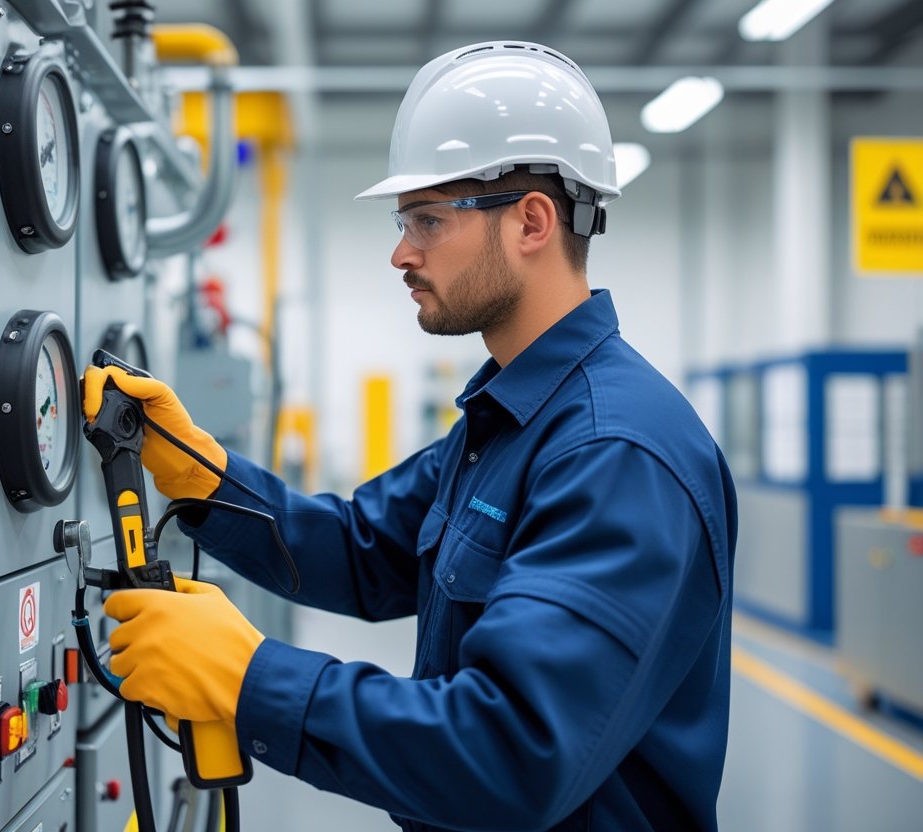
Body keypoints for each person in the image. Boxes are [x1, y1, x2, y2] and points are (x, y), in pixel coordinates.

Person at [86, 41, 738, 832]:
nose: (401, 252)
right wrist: (199, 473)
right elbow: (363, 549)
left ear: (532, 222)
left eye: (427, 219)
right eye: (405, 221)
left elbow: (509, 752)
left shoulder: (614, 454)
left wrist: (247, 676)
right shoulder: (512, 422)